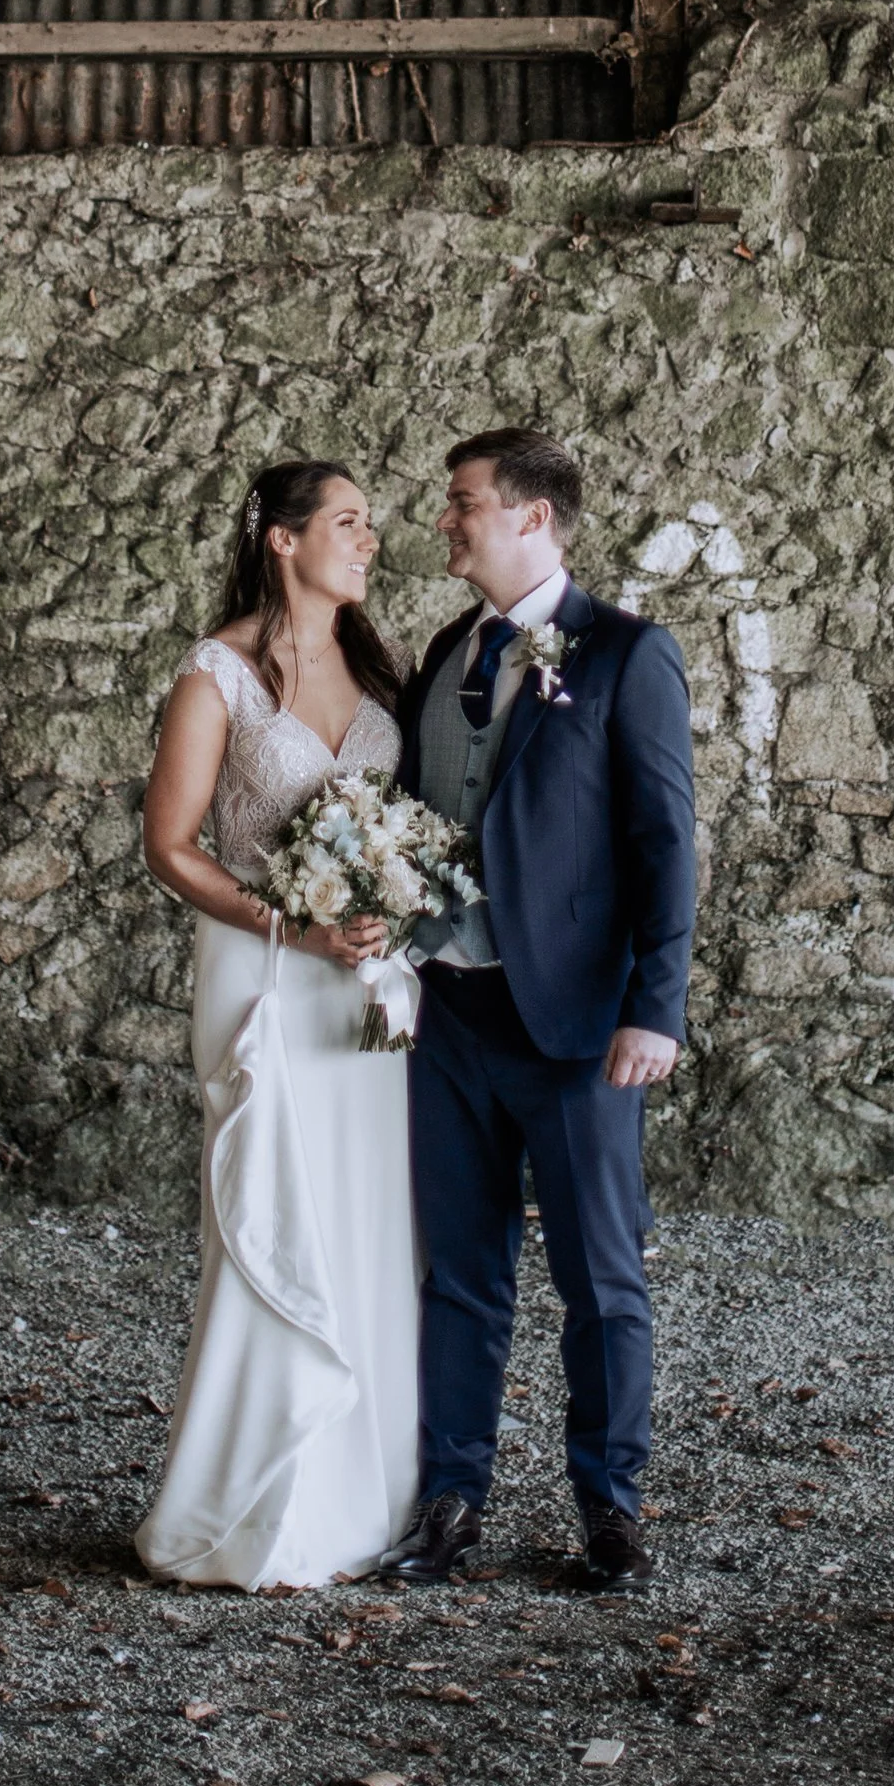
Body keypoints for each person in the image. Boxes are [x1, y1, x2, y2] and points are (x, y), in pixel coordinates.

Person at [384, 427, 697, 1598]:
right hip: (449, 1014)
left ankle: (608, 1511)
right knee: (460, 1275)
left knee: (600, 1279)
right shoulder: (445, 649)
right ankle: (450, 1501)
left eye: (462, 502)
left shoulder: (626, 654)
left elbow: (665, 844)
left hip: (571, 1023)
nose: (445, 521)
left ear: (533, 518)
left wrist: (651, 1007)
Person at [134, 460, 420, 1588]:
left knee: (367, 1220)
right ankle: (256, 1505)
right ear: (283, 540)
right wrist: (291, 927)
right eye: (348, 523)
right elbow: (170, 847)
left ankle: (367, 1499)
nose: (369, 540)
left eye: (370, 524)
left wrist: (394, 907)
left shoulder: (379, 669)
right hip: (265, 974)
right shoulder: (220, 672)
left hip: (367, 982)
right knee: (276, 1214)